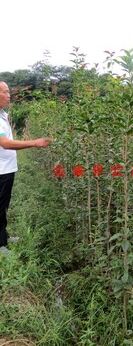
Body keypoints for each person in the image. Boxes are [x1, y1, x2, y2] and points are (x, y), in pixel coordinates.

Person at [0, 80, 51, 254]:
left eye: (9, 92)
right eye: (5, 92)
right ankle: (0, 246)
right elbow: (5, 143)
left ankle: (3, 237)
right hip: (1, 171)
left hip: (6, 169)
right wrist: (35, 143)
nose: (9, 95)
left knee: (3, 206)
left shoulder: (3, 114)